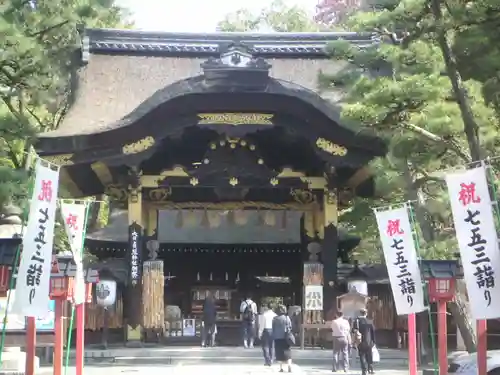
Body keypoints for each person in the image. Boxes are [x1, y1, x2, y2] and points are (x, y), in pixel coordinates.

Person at [352, 308, 376, 375]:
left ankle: (364, 370)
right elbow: (373, 333)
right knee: (369, 355)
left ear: (360, 313)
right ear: (366, 313)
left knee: (361, 356)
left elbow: (353, 331)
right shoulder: (369, 321)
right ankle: (370, 368)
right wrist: (374, 342)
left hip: (360, 341)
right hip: (369, 342)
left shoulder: (356, 321)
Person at [272, 304, 293, 373]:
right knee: (288, 352)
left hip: (277, 338)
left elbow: (273, 328)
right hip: (286, 337)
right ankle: (289, 365)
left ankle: (281, 368)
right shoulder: (287, 318)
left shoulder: (275, 319)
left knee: (279, 353)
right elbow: (290, 327)